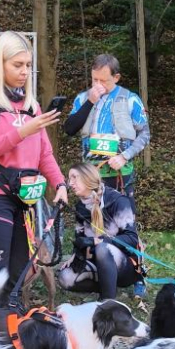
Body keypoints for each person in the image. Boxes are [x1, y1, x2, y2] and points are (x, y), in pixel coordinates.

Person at [0, 31, 68, 308]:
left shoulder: (31, 105)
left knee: (20, 272)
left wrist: (59, 184)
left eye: (27, 65)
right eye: (17, 65)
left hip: (23, 199)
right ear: (0, 64)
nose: (24, 72)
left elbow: (44, 152)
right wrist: (23, 131)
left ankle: (10, 331)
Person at [63, 53, 149, 297]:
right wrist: (91, 100)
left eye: (103, 81)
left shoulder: (130, 100)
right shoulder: (83, 98)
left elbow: (144, 134)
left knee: (126, 224)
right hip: (91, 174)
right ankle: (97, 268)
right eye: (94, 80)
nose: (98, 85)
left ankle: (137, 272)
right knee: (90, 222)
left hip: (120, 172)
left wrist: (126, 155)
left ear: (116, 77)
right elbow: (69, 129)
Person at [57, 162, 141, 300]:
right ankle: (108, 286)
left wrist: (100, 240)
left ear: (87, 177)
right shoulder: (80, 206)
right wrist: (75, 254)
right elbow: (80, 237)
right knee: (65, 278)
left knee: (102, 248)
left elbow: (132, 239)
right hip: (96, 263)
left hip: (126, 266)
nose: (70, 183)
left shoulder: (118, 201)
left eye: (74, 177)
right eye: (69, 178)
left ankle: (107, 303)